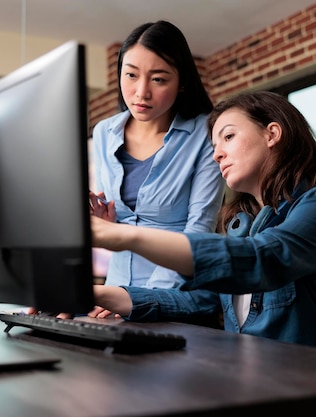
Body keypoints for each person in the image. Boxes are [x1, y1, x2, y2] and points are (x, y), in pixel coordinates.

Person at [89, 91, 316, 353]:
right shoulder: (243, 227)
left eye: (228, 136)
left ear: (273, 134)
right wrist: (100, 294)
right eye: (215, 146)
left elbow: (261, 259)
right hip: (248, 385)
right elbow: (199, 300)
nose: (216, 155)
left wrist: (124, 235)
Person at [90, 21, 225, 294]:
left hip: (177, 294)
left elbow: (199, 230)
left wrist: (141, 299)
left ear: (182, 83)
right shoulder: (105, 132)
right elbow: (124, 226)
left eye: (159, 79)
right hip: (115, 291)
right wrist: (108, 225)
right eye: (130, 75)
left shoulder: (207, 132)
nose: (141, 92)